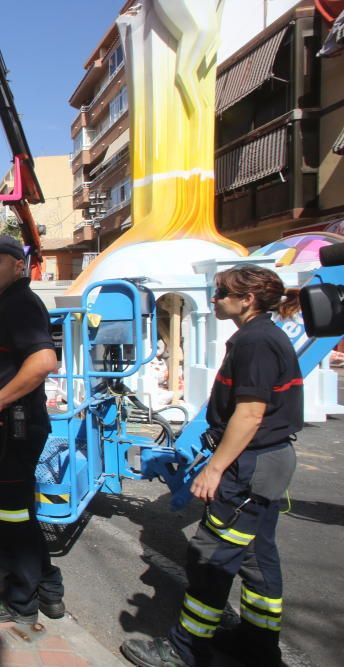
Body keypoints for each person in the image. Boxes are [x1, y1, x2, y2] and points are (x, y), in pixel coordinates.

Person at [121, 265, 303, 667]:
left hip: (249, 465)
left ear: (247, 299)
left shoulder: (255, 342)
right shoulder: (262, 336)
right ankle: (258, 645)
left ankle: (184, 649)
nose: (214, 298)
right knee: (256, 559)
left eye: (220, 292)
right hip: (268, 463)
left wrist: (215, 468)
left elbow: (251, 414)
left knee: (210, 558)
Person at [0, 236, 65, 625]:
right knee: (19, 512)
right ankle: (48, 587)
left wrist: (0, 399)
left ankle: (20, 600)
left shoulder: (19, 304)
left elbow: (43, 362)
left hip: (13, 426)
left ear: (18, 266)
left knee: (9, 514)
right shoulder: (9, 304)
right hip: (16, 425)